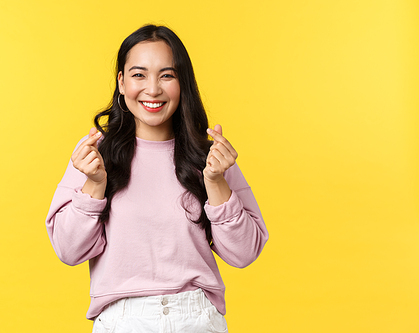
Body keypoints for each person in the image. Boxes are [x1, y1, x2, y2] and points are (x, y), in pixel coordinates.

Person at [46, 24, 269, 333]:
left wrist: (217, 183)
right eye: (139, 75)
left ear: (183, 83)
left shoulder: (211, 158)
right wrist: (94, 185)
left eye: (167, 75)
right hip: (122, 320)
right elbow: (69, 251)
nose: (153, 89)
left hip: (197, 318)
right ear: (122, 83)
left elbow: (244, 253)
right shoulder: (95, 155)